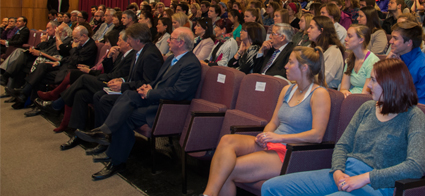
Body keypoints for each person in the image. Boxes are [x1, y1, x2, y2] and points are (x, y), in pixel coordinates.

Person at [262, 58, 425, 196]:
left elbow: (416, 166)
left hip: (378, 185)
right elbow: (342, 145)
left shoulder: (413, 116)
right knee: (271, 187)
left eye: (374, 80)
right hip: (346, 172)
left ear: (390, 84)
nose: (369, 86)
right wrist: (338, 171)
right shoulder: (367, 107)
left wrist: (365, 178)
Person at [202, 46, 331, 196]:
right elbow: (273, 122)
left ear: (304, 68)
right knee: (227, 141)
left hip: (289, 152)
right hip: (273, 142)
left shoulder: (319, 94)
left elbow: (317, 135)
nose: (285, 66)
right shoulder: (287, 90)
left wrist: (279, 137)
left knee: (226, 169)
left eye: (290, 62)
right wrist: (265, 136)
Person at [75, 27, 201, 180]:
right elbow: (158, 81)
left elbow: (179, 93)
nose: (167, 40)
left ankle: (115, 159)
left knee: (126, 115)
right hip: (154, 100)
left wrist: (150, 92)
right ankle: (106, 136)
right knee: (128, 94)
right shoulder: (170, 59)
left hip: (166, 108)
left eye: (171, 39)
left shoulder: (191, 64)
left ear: (180, 43)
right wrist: (148, 87)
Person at [11, 26, 97, 109]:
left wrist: (74, 49)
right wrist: (59, 62)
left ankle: (30, 98)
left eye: (76, 38)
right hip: (64, 65)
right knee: (43, 66)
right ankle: (25, 93)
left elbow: (77, 61)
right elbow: (68, 56)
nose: (74, 41)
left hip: (71, 70)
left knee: (42, 76)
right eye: (74, 38)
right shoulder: (79, 42)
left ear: (84, 36)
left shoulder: (90, 46)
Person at [387, 21, 425, 104]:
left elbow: (421, 105)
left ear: (409, 43)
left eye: (395, 38)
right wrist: (387, 65)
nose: (390, 41)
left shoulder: (422, 67)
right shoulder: (397, 57)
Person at [340, 25, 380, 97]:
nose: (346, 39)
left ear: (361, 40)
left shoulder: (372, 61)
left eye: (350, 36)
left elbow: (365, 95)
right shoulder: (350, 60)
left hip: (363, 101)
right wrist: (345, 93)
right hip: (352, 97)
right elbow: (343, 88)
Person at [307, 16, 344, 89]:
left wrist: (302, 78)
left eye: (311, 27)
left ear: (321, 31)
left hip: (327, 91)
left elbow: (323, 79)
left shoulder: (334, 51)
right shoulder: (310, 47)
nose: (308, 30)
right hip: (310, 86)